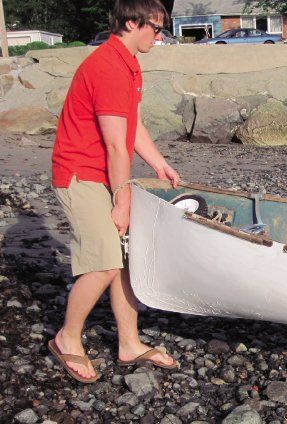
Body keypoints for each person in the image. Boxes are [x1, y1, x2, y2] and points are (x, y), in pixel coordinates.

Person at [49, 0, 180, 383]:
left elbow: (131, 124)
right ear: (132, 23)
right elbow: (115, 145)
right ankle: (67, 337)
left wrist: (158, 163)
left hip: (103, 173)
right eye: (156, 29)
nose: (159, 37)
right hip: (80, 174)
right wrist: (122, 199)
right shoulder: (106, 67)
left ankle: (129, 343)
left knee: (125, 257)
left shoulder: (129, 64)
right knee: (104, 262)